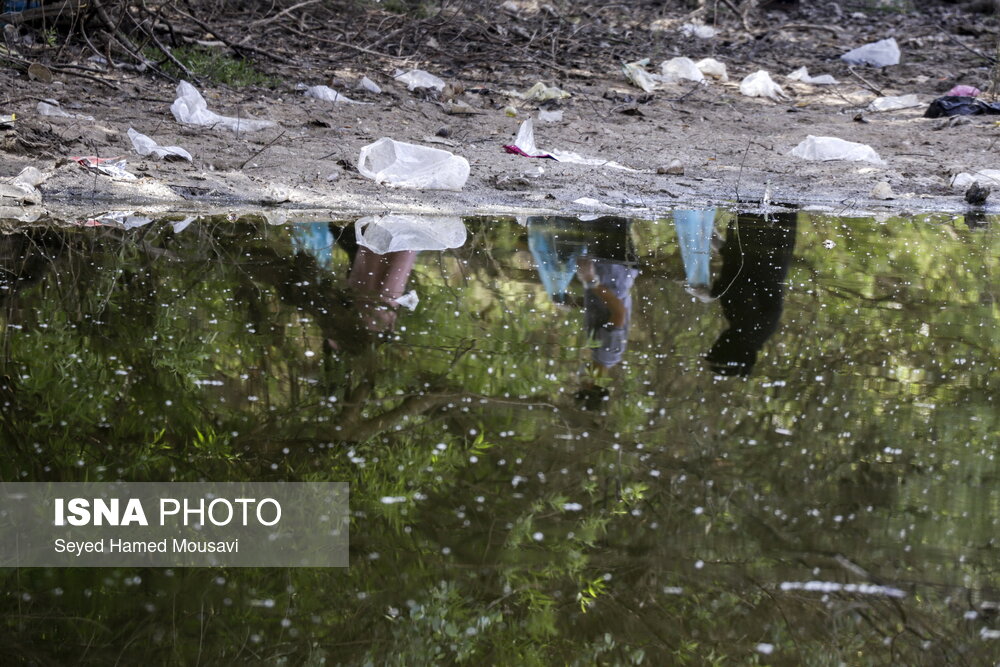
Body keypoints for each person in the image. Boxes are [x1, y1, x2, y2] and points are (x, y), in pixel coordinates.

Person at [706, 210, 797, 376]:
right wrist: (712, 293)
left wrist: (722, 247)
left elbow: (740, 277)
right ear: (728, 349)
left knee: (752, 196)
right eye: (717, 346)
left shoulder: (749, 331)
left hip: (763, 239)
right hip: (767, 236)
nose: (717, 340)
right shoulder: (751, 330)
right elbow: (742, 283)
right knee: (764, 196)